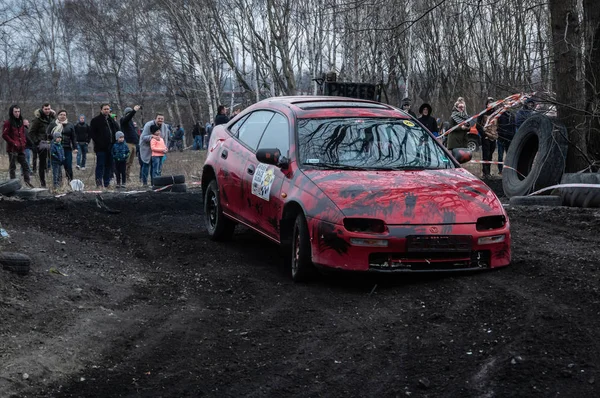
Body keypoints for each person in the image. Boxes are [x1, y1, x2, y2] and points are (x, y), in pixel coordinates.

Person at [2, 105, 33, 188]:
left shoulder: (20, 121)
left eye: (18, 111)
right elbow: (4, 135)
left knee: (25, 166)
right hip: (12, 148)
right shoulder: (8, 123)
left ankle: (28, 183)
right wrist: (13, 143)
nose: (17, 113)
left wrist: (23, 142)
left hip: (21, 148)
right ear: (12, 112)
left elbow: (23, 133)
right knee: (12, 167)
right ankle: (13, 184)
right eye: (15, 111)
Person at [89, 103, 119, 188]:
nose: (106, 111)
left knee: (109, 166)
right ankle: (99, 183)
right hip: (100, 148)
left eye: (108, 109)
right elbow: (92, 134)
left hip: (111, 147)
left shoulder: (111, 120)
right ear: (101, 110)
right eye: (105, 109)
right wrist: (99, 142)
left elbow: (116, 130)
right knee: (100, 165)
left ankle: (107, 182)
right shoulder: (96, 120)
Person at [28, 103, 56, 188]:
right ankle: (43, 183)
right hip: (41, 144)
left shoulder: (52, 118)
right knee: (42, 164)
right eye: (46, 109)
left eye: (49, 109)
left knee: (55, 162)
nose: (47, 111)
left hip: (52, 143)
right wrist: (37, 142)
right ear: (42, 109)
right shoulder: (37, 119)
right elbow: (31, 133)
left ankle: (56, 182)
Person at [139, 113, 169, 186]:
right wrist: (152, 136)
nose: (160, 120)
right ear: (155, 118)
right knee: (146, 164)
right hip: (146, 147)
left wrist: (165, 147)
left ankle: (155, 182)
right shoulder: (148, 125)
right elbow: (143, 137)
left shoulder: (164, 127)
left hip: (158, 149)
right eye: (159, 118)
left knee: (156, 166)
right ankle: (145, 182)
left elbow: (165, 138)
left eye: (162, 119)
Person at [47, 110, 77, 182]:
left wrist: (75, 147)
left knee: (68, 166)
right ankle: (58, 183)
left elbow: (73, 137)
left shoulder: (70, 125)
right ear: (58, 116)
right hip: (56, 148)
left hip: (67, 148)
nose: (62, 116)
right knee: (58, 167)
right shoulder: (53, 124)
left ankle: (70, 182)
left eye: (64, 115)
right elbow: (47, 134)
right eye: (61, 114)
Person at [476, 97, 499, 179]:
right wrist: (484, 135)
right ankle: (485, 173)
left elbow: (498, 125)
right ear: (486, 104)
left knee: (491, 155)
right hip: (485, 136)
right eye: (489, 103)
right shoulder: (483, 114)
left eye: (492, 103)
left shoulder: (496, 114)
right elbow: (478, 126)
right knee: (486, 155)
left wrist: (497, 133)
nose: (491, 105)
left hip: (494, 137)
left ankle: (488, 172)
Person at [120, 105, 141, 180]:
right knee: (126, 162)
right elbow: (127, 118)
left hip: (134, 144)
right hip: (127, 143)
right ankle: (123, 177)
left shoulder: (131, 122)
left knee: (130, 163)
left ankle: (127, 176)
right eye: (129, 113)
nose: (130, 115)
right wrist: (134, 111)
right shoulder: (123, 120)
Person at [497, 110, 516, 175]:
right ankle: (500, 170)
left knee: (509, 156)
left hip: (509, 139)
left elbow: (514, 127)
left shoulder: (512, 115)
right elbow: (498, 126)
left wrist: (513, 137)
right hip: (501, 138)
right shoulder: (500, 115)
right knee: (500, 156)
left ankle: (508, 170)